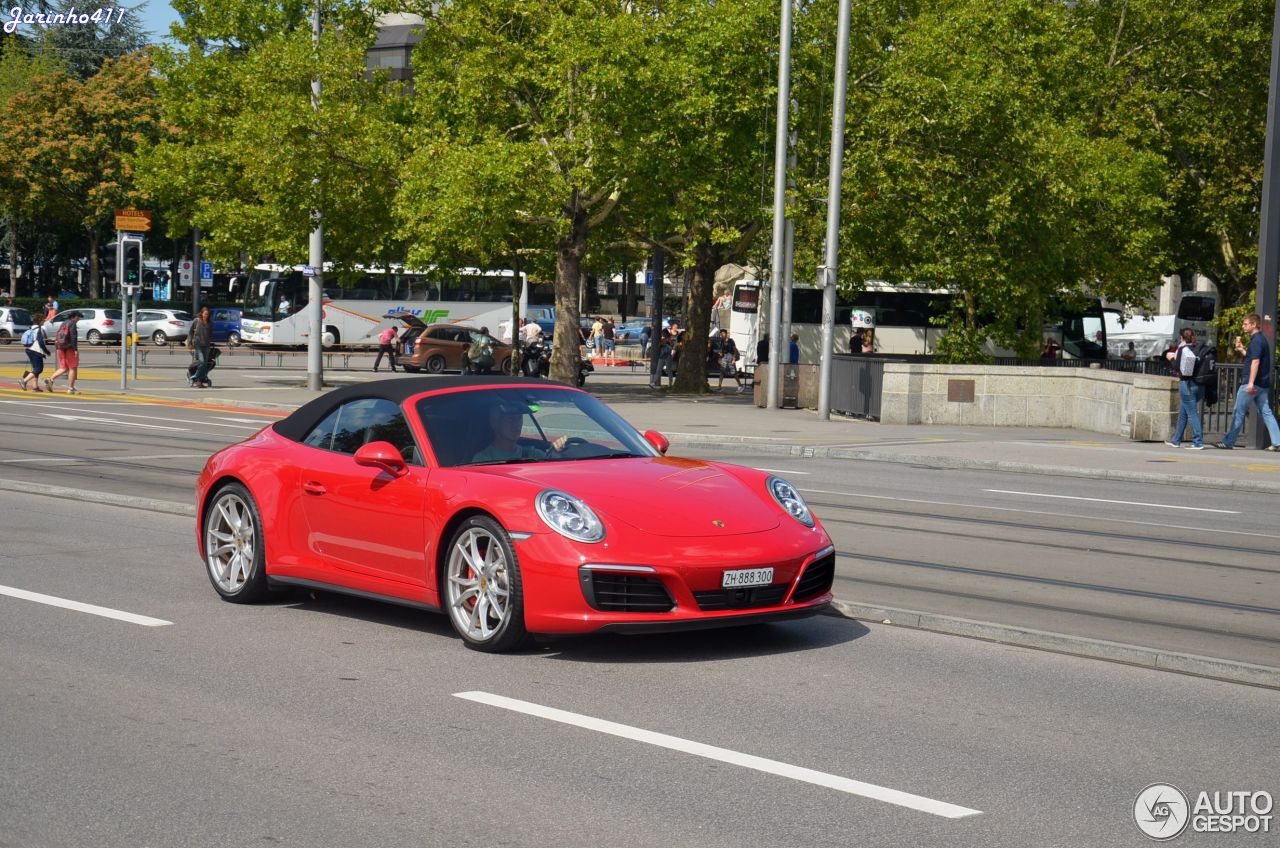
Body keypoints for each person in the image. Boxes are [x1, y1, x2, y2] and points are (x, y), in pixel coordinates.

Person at [1215, 313, 1280, 451]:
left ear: (1254, 325)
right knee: (1266, 412)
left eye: (1245, 324)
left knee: (1238, 411)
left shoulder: (1256, 340)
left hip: (1252, 384)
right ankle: (1277, 442)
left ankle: (1228, 441)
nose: (1243, 326)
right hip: (1262, 384)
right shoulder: (1261, 340)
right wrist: (1243, 350)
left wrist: (1250, 383)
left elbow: (1255, 362)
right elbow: (1253, 358)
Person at [471, 402, 568, 463]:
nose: (516, 424)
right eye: (510, 419)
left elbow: (552, 470)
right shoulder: (483, 459)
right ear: (495, 422)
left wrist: (556, 451)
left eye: (519, 418)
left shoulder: (533, 454)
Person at [1163, 328, 1205, 450]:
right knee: (1183, 413)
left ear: (1181, 338)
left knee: (1192, 414)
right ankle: (1176, 440)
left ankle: (1198, 442)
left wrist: (1171, 357)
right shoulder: (1198, 347)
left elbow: (1176, 367)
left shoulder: (1183, 349)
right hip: (1199, 384)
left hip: (1187, 384)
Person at [44, 311, 80, 394]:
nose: (79, 319)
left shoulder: (63, 323)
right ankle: (70, 388)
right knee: (72, 367)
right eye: (78, 317)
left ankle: (50, 379)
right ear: (73, 317)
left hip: (60, 347)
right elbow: (73, 337)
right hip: (69, 348)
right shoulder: (72, 323)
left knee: (64, 367)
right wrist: (75, 349)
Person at [19, 315, 50, 392]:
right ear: (40, 321)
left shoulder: (31, 328)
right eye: (43, 320)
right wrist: (46, 351)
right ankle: (24, 381)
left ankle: (35, 387)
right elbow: (40, 342)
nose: (44, 321)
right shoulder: (40, 329)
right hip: (36, 350)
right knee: (39, 369)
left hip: (29, 349)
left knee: (35, 368)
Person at [188, 306, 214, 388]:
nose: (206, 315)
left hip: (206, 345)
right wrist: (190, 343)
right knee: (202, 362)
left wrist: (210, 341)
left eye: (207, 314)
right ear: (201, 313)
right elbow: (190, 332)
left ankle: (200, 380)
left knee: (205, 364)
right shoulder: (197, 321)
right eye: (205, 314)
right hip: (198, 345)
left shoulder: (209, 323)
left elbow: (210, 334)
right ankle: (195, 377)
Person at [714, 328, 745, 393]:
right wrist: (720, 358)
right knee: (722, 372)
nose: (721, 335)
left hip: (730, 357)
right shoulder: (722, 341)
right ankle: (719, 387)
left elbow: (734, 350)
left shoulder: (731, 341)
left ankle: (740, 385)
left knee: (734, 372)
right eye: (721, 334)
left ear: (726, 334)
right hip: (725, 357)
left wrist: (734, 359)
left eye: (723, 333)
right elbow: (722, 352)